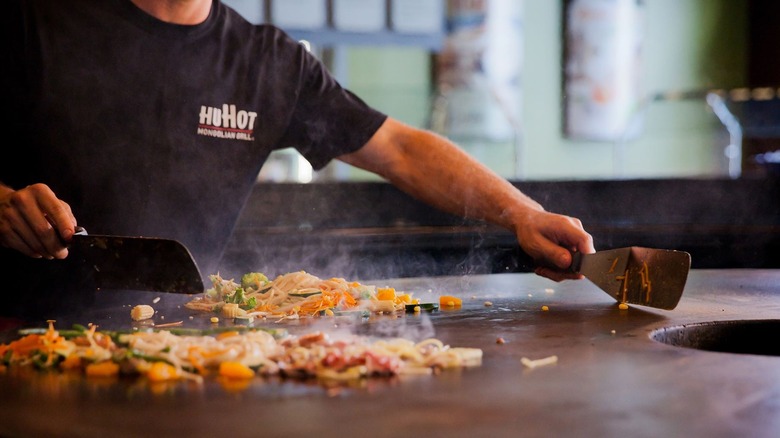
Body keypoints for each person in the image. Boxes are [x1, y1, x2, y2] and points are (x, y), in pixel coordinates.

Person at [0, 0, 594, 319]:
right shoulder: (35, 21)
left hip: (183, 344)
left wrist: (521, 213)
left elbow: (399, 148)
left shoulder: (271, 64)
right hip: (21, 335)